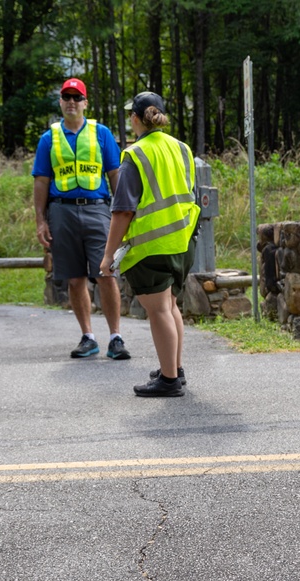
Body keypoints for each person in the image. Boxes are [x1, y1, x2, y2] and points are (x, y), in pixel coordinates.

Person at [100, 92, 200, 397]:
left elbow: (123, 210)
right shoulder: (181, 148)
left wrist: (107, 257)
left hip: (152, 247)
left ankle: (169, 380)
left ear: (135, 119)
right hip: (183, 242)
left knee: (158, 311)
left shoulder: (135, 154)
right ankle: (175, 369)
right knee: (170, 307)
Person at [32, 78, 130, 361]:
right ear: (61, 102)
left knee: (105, 274)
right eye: (67, 97)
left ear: (85, 103)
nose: (71, 102)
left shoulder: (101, 133)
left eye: (77, 98)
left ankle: (116, 337)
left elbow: (115, 174)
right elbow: (41, 180)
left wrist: (122, 215)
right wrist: (41, 220)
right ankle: (88, 336)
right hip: (61, 210)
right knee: (74, 278)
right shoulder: (48, 138)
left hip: (97, 208)